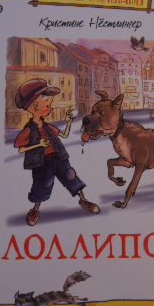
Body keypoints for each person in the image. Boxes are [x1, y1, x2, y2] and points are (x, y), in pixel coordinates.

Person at [13, 78, 100, 226]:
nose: (50, 108)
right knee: (42, 184)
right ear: (35, 106)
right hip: (42, 162)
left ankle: (83, 200)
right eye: (47, 105)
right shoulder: (28, 130)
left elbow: (64, 135)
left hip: (59, 157)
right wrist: (38, 144)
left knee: (71, 176)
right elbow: (20, 148)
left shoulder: (47, 126)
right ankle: (35, 209)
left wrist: (69, 121)